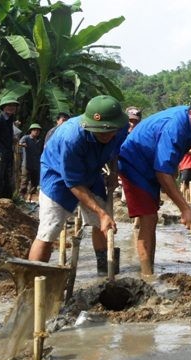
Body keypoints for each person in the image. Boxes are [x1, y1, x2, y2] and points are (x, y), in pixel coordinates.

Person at [118, 92, 191, 276]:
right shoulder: (175, 127)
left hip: (151, 163)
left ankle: (148, 271)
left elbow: (170, 159)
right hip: (134, 163)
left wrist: (173, 167)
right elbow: (162, 172)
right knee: (149, 219)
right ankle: (147, 276)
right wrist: (184, 208)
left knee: (151, 218)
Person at [28, 95, 128, 275]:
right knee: (49, 229)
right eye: (100, 131)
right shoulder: (71, 138)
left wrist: (113, 171)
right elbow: (73, 183)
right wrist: (102, 212)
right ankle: (32, 281)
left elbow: (115, 150)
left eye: (110, 130)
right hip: (57, 174)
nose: (106, 135)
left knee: (102, 224)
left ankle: (105, 273)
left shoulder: (119, 128)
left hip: (91, 171)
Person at [18, 123, 45, 202]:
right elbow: (19, 143)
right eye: (34, 130)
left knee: (34, 182)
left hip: (36, 164)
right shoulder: (26, 138)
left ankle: (30, 197)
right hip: (26, 163)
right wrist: (23, 145)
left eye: (38, 131)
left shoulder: (39, 141)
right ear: (31, 131)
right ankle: (22, 197)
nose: (36, 132)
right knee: (24, 181)